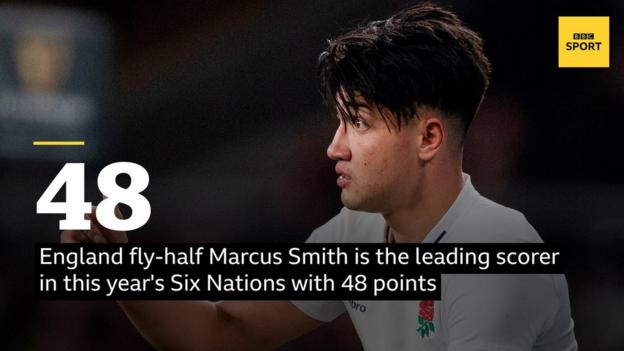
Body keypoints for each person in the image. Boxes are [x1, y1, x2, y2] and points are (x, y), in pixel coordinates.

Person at [61, 3, 577, 350]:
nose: (334, 147)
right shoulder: (359, 232)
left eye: (358, 122)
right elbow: (218, 328)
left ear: (429, 139)